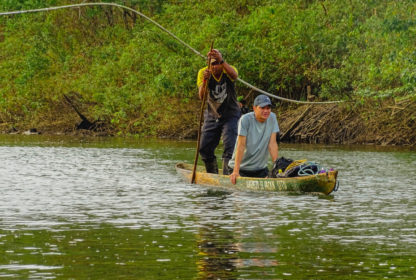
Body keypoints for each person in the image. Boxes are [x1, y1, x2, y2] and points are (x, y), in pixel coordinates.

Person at [197, 49, 241, 175]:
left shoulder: (228, 70)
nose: (215, 67)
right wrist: (205, 81)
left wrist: (222, 60)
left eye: (217, 63)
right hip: (212, 115)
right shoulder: (203, 73)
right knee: (204, 148)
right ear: (209, 65)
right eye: (212, 64)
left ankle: (228, 175)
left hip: (230, 115)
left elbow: (234, 76)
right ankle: (213, 174)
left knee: (229, 147)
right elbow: (202, 96)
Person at [228, 94, 279, 184]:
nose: (266, 111)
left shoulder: (272, 118)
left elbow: (272, 144)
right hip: (242, 169)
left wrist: (277, 167)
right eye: (262, 108)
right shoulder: (245, 120)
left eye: (268, 108)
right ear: (254, 108)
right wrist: (236, 171)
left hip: (260, 170)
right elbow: (241, 145)